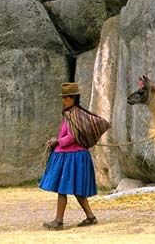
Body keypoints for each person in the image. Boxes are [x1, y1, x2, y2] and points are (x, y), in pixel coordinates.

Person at [39, 82, 102, 230]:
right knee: (75, 189)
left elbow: (72, 137)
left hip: (73, 156)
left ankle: (58, 221)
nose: (64, 100)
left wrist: (57, 141)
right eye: (63, 98)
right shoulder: (70, 114)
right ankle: (90, 217)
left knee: (63, 188)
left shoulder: (75, 115)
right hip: (70, 156)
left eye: (66, 98)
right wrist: (57, 141)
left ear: (74, 98)